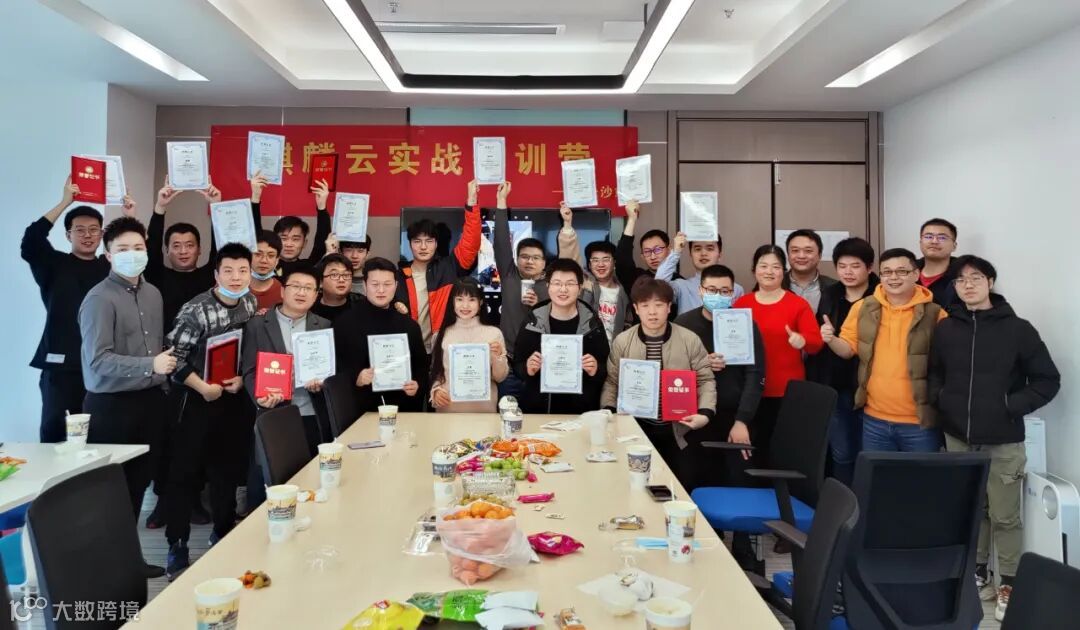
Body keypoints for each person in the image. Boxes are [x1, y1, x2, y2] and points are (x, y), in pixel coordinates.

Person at [928, 255, 1060, 620]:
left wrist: (1009, 405)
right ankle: (979, 573)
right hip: (958, 437)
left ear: (990, 282)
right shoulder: (946, 329)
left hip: (1003, 439)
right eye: (960, 280)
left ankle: (1010, 585)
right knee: (973, 510)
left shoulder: (1018, 330)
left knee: (1004, 516)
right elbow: (935, 373)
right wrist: (942, 399)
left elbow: (1048, 380)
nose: (968, 285)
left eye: (976, 278)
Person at [79, 216, 174, 579]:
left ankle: (128, 562)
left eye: (138, 248)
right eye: (122, 249)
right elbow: (98, 361)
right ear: (107, 255)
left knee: (137, 486)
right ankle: (101, 569)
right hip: (111, 408)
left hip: (149, 402)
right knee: (109, 492)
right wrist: (151, 364)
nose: (132, 254)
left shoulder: (153, 294)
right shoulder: (98, 299)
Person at [164, 244, 258, 580]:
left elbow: (247, 351)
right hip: (195, 400)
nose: (236, 277)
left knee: (227, 473)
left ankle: (222, 532)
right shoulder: (196, 310)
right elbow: (172, 358)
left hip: (231, 399)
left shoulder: (249, 302)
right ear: (216, 274)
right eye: (228, 271)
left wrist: (241, 379)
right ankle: (177, 545)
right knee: (185, 475)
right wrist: (202, 387)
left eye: (242, 271)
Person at [821, 248, 946, 453]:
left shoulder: (935, 314)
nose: (893, 277)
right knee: (877, 474)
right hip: (874, 419)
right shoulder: (863, 307)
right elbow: (848, 350)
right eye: (887, 272)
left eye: (901, 271)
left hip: (919, 422)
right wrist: (831, 339)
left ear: (916, 274)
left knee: (922, 474)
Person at [601, 276, 716, 484]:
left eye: (659, 305)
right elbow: (612, 381)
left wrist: (705, 413)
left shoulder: (688, 339)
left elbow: (705, 379)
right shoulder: (623, 341)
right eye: (645, 305)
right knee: (636, 484)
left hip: (679, 429)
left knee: (677, 485)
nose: (652, 312)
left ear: (669, 307)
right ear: (636, 309)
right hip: (636, 427)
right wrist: (610, 413)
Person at [22, 177, 111, 442]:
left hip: (103, 367)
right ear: (68, 235)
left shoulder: (110, 269)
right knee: (56, 435)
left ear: (102, 235)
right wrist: (64, 202)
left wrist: (131, 215)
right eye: (79, 230)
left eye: (93, 230)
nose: (87, 235)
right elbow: (32, 240)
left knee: (99, 436)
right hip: (61, 368)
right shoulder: (54, 265)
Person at [673, 265, 764, 485]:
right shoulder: (683, 324)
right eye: (712, 290)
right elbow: (672, 371)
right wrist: (701, 364)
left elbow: (756, 375)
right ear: (701, 291)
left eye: (724, 291)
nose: (718, 296)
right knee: (693, 479)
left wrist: (742, 420)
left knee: (737, 480)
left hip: (734, 416)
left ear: (733, 293)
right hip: (695, 416)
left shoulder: (744, 323)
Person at [734, 245, 823, 467]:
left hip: (786, 392)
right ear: (754, 270)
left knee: (783, 454)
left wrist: (802, 340)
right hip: (749, 392)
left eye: (775, 267)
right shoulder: (742, 304)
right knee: (751, 456)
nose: (769, 271)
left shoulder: (797, 304)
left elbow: (816, 343)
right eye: (763, 266)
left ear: (783, 271)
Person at [805, 237, 879, 486]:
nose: (848, 272)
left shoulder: (881, 295)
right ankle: (844, 503)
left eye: (855, 266)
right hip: (835, 383)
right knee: (842, 450)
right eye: (842, 266)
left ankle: (867, 500)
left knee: (869, 450)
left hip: (871, 385)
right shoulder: (831, 293)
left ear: (869, 267)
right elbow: (821, 336)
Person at [242, 264, 333, 456]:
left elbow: (329, 371)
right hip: (273, 412)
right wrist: (260, 399)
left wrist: (322, 384)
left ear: (316, 295)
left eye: (308, 288)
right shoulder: (257, 325)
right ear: (283, 291)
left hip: (312, 412)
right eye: (296, 286)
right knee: (275, 471)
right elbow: (249, 370)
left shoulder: (324, 326)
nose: (301, 292)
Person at [396, 180, 482, 353]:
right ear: (410, 244)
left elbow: (470, 243)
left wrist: (472, 202)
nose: (423, 247)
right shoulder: (399, 275)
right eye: (417, 241)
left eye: (429, 241)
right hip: (408, 349)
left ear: (436, 244)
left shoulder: (448, 267)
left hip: (443, 347)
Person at [513, 259, 609, 415]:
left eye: (570, 284)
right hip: (539, 411)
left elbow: (606, 367)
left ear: (580, 288)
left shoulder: (592, 324)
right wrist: (527, 368)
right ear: (548, 286)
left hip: (581, 413)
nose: (563, 289)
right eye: (557, 283)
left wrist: (595, 369)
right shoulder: (533, 321)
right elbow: (518, 364)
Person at [334, 257, 428, 413]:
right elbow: (335, 368)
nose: (381, 290)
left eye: (387, 284)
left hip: (403, 411)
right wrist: (356, 377)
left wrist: (417, 385)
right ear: (364, 286)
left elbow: (421, 367)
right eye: (375, 284)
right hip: (359, 412)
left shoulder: (409, 325)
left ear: (396, 286)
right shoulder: (344, 323)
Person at [146, 177, 234, 326]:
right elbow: (153, 245)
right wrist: (160, 207)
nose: (183, 251)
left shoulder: (210, 276)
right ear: (167, 250)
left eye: (189, 245)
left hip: (204, 339)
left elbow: (219, 247)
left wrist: (216, 206)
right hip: (166, 340)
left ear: (199, 250)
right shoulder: (157, 276)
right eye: (176, 246)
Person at [494, 182, 549, 398]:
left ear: (544, 262)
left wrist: (539, 305)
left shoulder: (553, 285)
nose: (529, 261)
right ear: (517, 259)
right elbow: (501, 242)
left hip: (540, 362)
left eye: (535, 258)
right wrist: (501, 202)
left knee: (538, 414)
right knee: (507, 411)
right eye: (524, 257)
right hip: (508, 360)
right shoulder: (510, 275)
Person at [429, 279, 509, 413]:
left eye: (472, 299)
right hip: (448, 409)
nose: (465, 305)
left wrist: (498, 357)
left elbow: (500, 377)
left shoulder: (494, 334)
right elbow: (437, 373)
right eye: (459, 299)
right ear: (452, 302)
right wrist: (436, 391)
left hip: (484, 411)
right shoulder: (441, 335)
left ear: (481, 302)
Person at [557, 207, 631, 343]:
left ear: (614, 263)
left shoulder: (623, 290)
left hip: (614, 349)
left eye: (606, 259)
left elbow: (628, 324)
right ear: (589, 265)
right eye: (595, 260)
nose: (600, 264)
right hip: (585, 347)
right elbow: (569, 257)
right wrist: (567, 223)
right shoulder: (584, 283)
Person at [250, 171, 331, 277]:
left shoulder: (308, 267)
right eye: (283, 238)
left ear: (304, 243)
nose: (289, 244)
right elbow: (254, 236)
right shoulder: (264, 266)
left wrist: (322, 207)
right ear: (275, 241)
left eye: (295, 239)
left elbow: (321, 244)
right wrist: (255, 198)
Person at [655, 232, 745, 315]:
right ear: (690, 254)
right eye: (697, 249)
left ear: (720, 254)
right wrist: (676, 252)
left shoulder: (736, 289)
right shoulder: (681, 286)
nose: (703, 253)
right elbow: (657, 288)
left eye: (710, 249)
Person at [615, 199, 677, 293]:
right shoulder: (638, 279)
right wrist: (632, 219)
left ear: (669, 251)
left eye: (657, 250)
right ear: (642, 257)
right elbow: (622, 259)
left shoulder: (679, 282)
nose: (653, 257)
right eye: (647, 252)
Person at [786, 229, 838, 312]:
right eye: (795, 250)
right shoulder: (774, 285)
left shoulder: (835, 288)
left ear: (819, 256)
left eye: (808, 251)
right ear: (788, 255)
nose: (801, 256)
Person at [916, 218, 959, 307]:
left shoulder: (963, 276)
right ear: (920, 242)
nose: (934, 241)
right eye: (928, 237)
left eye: (942, 237)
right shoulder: (906, 272)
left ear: (954, 246)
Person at [311, 253, 358, 322]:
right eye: (334, 275)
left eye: (346, 275)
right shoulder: (309, 306)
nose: (341, 280)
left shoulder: (361, 305)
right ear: (320, 282)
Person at [250, 231, 284, 312]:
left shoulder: (284, 292)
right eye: (258, 254)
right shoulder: (233, 288)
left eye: (271, 255)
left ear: (277, 260)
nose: (264, 260)